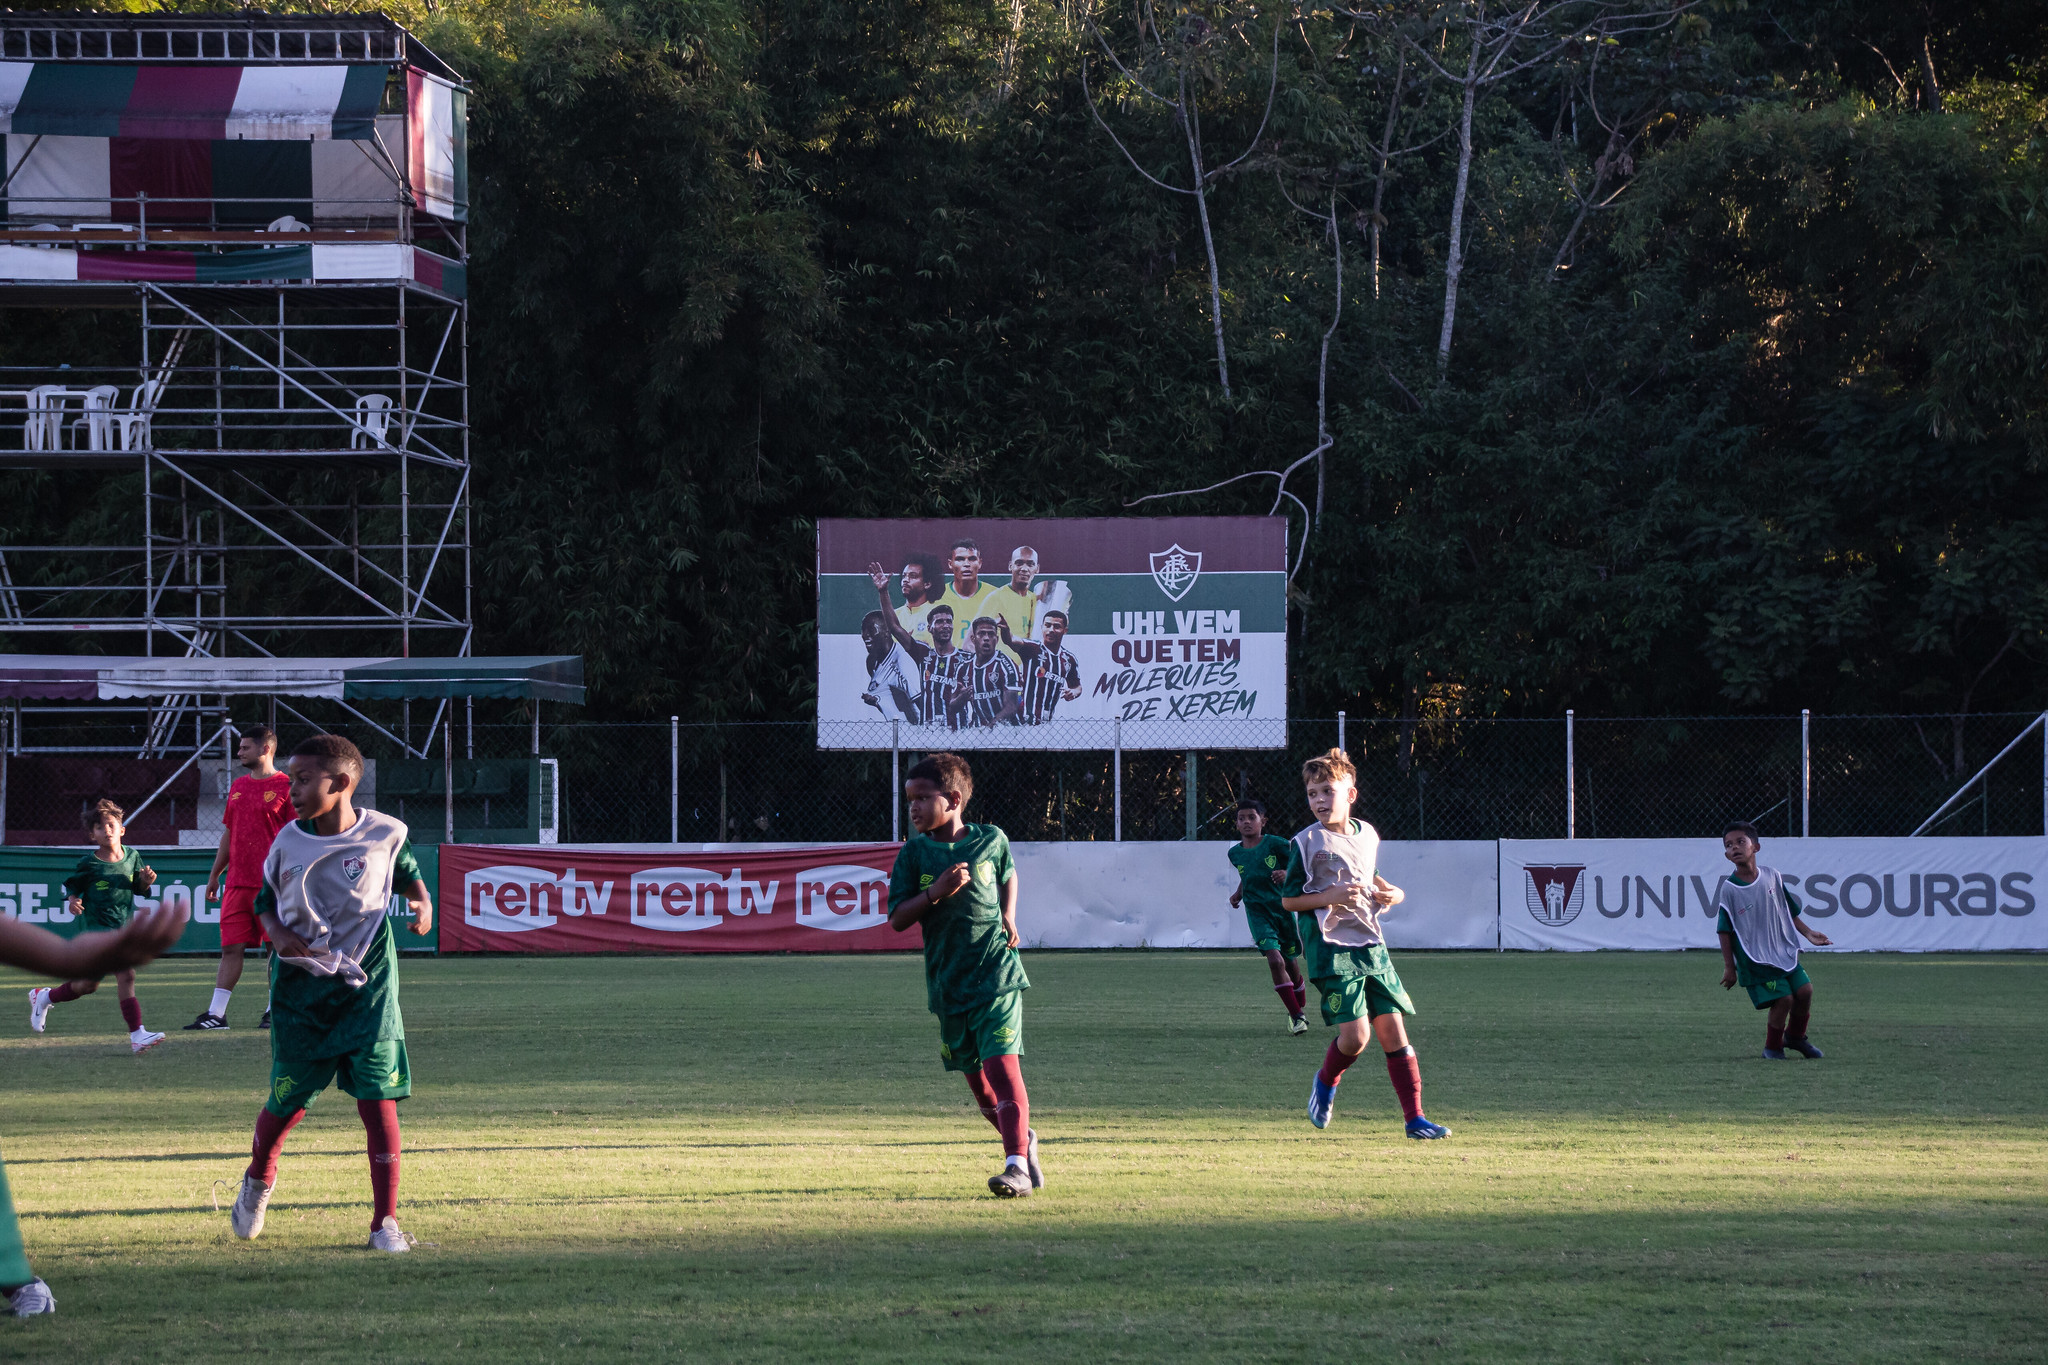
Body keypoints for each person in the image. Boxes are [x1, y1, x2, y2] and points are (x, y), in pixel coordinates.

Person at [227, 734, 434, 1253]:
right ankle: (258, 1177)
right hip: (302, 992)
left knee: (379, 1103)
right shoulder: (288, 842)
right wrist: (277, 933)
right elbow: (263, 904)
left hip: (369, 990)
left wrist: (423, 905)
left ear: (340, 782)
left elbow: (411, 879)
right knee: (287, 1102)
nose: (291, 790)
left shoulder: (386, 833)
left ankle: (384, 1222)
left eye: (302, 780)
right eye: (292, 779)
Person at [1, 898, 188, 1315]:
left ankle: (17, 1283)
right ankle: (50, 998)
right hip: (98, 937)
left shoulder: (129, 865)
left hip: (107, 942)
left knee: (110, 977)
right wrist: (71, 944)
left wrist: (70, 956)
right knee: (89, 984)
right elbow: (73, 901)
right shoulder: (89, 867)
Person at [886, 752, 1042, 1197]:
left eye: (922, 798)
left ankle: (1015, 1167)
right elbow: (897, 918)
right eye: (909, 800)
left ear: (953, 799)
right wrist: (935, 892)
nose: (913, 808)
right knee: (983, 1092)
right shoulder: (914, 854)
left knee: (1002, 1067)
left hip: (997, 975)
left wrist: (1009, 913)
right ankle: (1022, 1138)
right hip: (949, 985)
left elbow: (1009, 873)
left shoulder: (991, 840)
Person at [1281, 748, 1450, 1139]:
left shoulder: (1368, 834)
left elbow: (1370, 878)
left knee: (1393, 1032)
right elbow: (1289, 900)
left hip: (1372, 946)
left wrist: (1395, 894)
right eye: (1312, 793)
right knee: (1357, 1038)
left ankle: (1415, 1120)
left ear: (1351, 794)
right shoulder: (1305, 842)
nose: (1319, 800)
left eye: (1327, 790)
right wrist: (1331, 896)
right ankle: (1325, 1081)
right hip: (1331, 949)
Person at [29, 799, 166, 1055]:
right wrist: (73, 900)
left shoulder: (132, 856)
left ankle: (45, 997)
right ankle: (137, 1035)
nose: (107, 830)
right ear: (93, 835)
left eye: (111, 825)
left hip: (121, 928)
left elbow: (138, 888)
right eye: (100, 827)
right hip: (95, 930)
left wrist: (146, 881)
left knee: (89, 985)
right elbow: (72, 885)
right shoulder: (89, 863)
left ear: (122, 829)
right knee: (123, 975)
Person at [187, 723, 296, 1031]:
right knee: (231, 948)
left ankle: (275, 1009)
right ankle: (216, 1015)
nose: (239, 752)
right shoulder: (238, 786)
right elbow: (229, 832)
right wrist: (215, 874)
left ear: (266, 749)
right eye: (240, 747)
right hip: (236, 883)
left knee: (276, 949)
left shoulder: (287, 787)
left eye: (245, 747)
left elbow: (296, 836)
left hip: (273, 885)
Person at [1713, 821, 1832, 1059]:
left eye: (1740, 842)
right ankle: (1773, 1047)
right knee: (1784, 999)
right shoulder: (1729, 889)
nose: (1734, 847)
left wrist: (1808, 933)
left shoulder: (1772, 876)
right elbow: (1724, 930)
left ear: (1756, 847)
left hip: (1782, 951)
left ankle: (1795, 1037)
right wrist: (1729, 967)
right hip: (1756, 960)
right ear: (1726, 855)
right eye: (1728, 845)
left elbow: (1787, 911)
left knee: (1805, 991)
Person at [1227, 800, 1308, 1035]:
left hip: (1282, 909)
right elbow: (1249, 874)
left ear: (1263, 821)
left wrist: (1287, 873)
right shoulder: (1235, 853)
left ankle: (1298, 1004)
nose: (1246, 822)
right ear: (1236, 824)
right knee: (1275, 960)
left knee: (1290, 961)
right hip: (1257, 912)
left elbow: (1301, 865)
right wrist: (1239, 893)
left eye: (1251, 817)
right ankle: (1297, 1017)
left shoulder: (1276, 844)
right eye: (1241, 818)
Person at [998, 612, 1082, 726]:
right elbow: (1011, 640)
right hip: (1024, 721)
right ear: (1042, 627)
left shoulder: (1068, 659)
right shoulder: (1032, 648)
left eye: (1056, 626)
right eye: (1047, 625)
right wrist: (1005, 630)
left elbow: (1077, 686)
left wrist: (1073, 692)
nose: (1051, 630)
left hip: (1046, 723)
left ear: (1065, 630)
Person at [950, 617, 1021, 728]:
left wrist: (988, 729)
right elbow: (952, 707)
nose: (986, 638)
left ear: (997, 639)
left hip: (1006, 731)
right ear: (973, 639)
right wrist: (962, 698)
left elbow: (1011, 707)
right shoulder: (963, 667)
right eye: (981, 634)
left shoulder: (1005, 664)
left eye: (991, 634)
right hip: (978, 730)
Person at [872, 554, 946, 652]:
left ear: (927, 584)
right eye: (904, 576)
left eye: (913, 576)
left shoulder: (937, 615)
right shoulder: (893, 615)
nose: (905, 580)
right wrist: (883, 591)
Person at [859, 610, 920, 723]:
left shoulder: (903, 662)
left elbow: (921, 705)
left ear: (886, 631)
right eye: (863, 630)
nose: (865, 634)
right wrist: (877, 702)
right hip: (893, 729)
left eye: (871, 629)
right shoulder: (872, 662)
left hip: (913, 731)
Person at [937, 538, 1003, 634]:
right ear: (950, 564)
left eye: (972, 559)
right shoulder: (937, 597)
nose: (966, 564)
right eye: (960, 559)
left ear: (979, 563)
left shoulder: (996, 596)